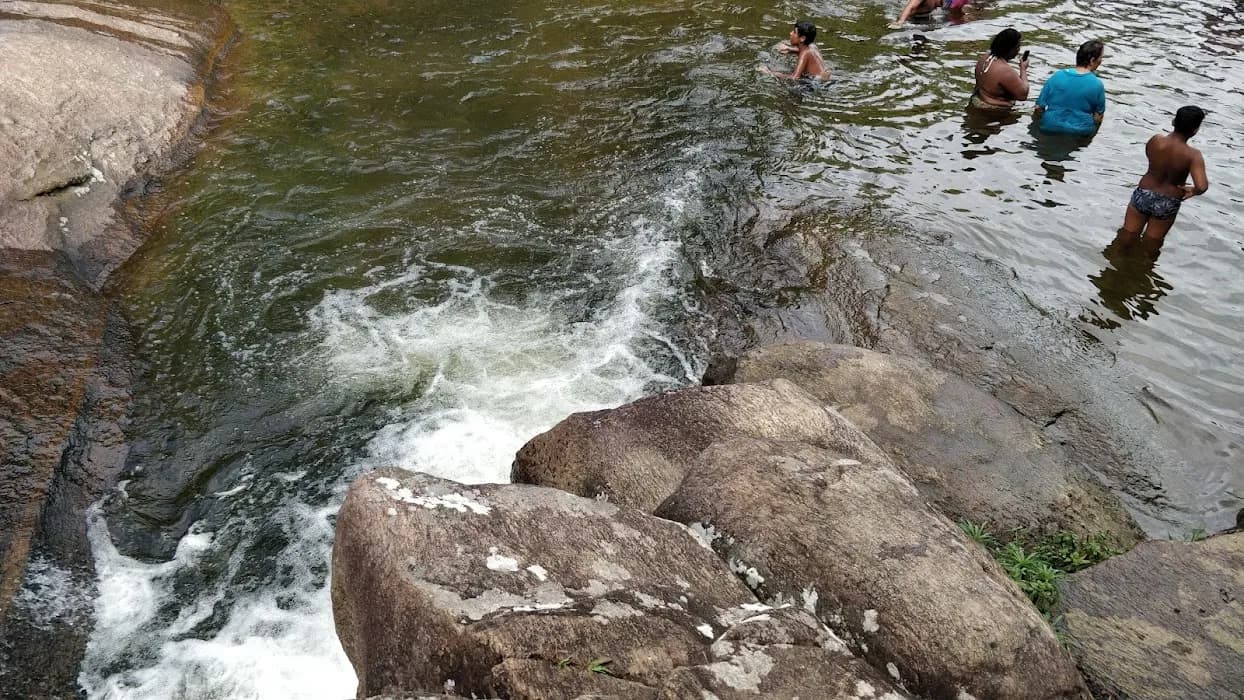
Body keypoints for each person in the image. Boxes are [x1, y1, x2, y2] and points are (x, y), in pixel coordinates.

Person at [1120, 106, 1209, 245]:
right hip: (1168, 201)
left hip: (1144, 193)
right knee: (1152, 243)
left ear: (1173, 121)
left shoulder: (1156, 140)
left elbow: (1150, 157)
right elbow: (1202, 186)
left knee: (1127, 234)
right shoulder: (1193, 155)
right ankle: (1144, 265)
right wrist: (1193, 191)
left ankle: (1116, 261)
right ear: (1195, 130)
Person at [1033, 40, 1106, 135]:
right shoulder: (1097, 84)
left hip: (1049, 127)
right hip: (1080, 132)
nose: (1101, 61)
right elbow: (1098, 117)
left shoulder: (1057, 76)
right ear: (1092, 60)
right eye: (1101, 57)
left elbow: (1039, 108)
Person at [971, 29, 1029, 111]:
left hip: (977, 101)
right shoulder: (1005, 71)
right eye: (1018, 47)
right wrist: (1023, 69)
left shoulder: (984, 58)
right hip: (993, 111)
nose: (1018, 50)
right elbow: (1023, 95)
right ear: (1011, 49)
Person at [762, 21, 831, 81]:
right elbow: (804, 52)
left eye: (794, 32)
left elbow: (794, 78)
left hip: (815, 83)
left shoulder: (804, 54)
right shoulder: (812, 46)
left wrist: (770, 73)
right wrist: (790, 50)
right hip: (825, 78)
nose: (791, 33)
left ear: (802, 38)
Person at [889, 0, 969, 28]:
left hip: (926, 18)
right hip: (914, 20)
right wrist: (900, 22)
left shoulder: (946, 3)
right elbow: (910, 7)